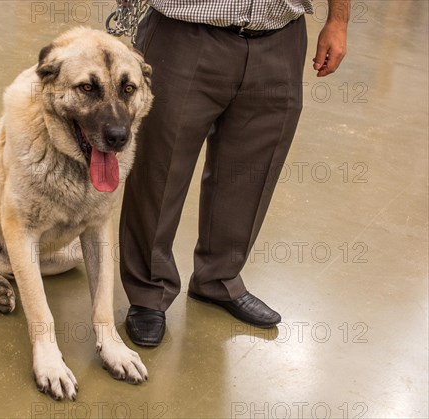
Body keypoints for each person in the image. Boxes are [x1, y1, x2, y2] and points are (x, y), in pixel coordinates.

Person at [120, 0, 349, 346]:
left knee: (253, 169)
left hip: (280, 36)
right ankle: (148, 292)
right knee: (160, 169)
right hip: (184, 31)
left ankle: (219, 278)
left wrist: (338, 19)